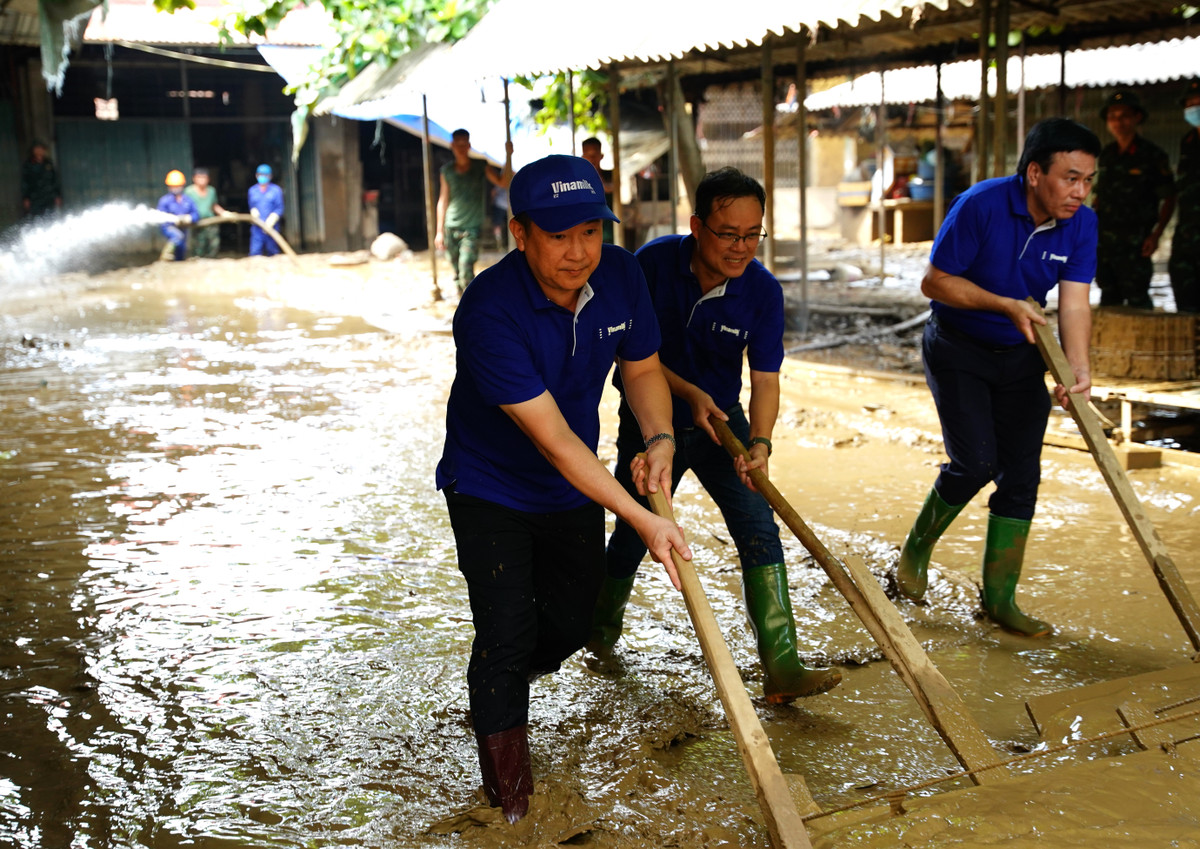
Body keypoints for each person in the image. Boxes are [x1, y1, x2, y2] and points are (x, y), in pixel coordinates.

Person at [436, 154, 691, 824]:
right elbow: (552, 439)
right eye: (559, 235)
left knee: (573, 623)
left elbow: (640, 371)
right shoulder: (489, 311)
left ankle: (494, 690)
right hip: (491, 486)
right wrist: (641, 516)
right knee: (507, 630)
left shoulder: (622, 275)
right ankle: (510, 805)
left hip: (571, 488)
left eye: (590, 231)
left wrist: (660, 437)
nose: (580, 252)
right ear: (519, 234)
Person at [590, 167, 841, 702]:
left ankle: (782, 666)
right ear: (697, 226)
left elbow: (766, 380)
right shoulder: (651, 266)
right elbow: (630, 356)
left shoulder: (763, 292)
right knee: (636, 534)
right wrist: (687, 393)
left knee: (758, 524)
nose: (742, 247)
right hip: (650, 422)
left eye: (753, 235)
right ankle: (598, 638)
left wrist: (761, 444)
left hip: (722, 420)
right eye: (729, 234)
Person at [894, 118, 1101, 637]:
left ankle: (1001, 599)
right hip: (959, 347)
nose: (1080, 192)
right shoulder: (981, 205)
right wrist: (1003, 304)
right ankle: (916, 549)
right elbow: (934, 283)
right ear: (1034, 173)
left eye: (1087, 180)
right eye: (1070, 178)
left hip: (1023, 354)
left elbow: (1074, 302)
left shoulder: (1082, 224)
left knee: (1021, 475)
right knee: (976, 461)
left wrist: (1077, 368)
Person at [1093, 91, 1176, 308]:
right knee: (1108, 298)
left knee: (1138, 299)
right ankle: (1109, 343)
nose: (1118, 122)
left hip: (1136, 243)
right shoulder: (1107, 154)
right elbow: (1098, 196)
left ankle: (1143, 343)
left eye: (1124, 115)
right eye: (1112, 116)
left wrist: (1156, 235)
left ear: (1137, 117)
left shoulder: (1152, 155)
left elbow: (1169, 198)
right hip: (1105, 242)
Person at [434, 128, 512, 293]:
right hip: (451, 225)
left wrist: (508, 157)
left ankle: (471, 303)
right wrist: (439, 231)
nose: (461, 148)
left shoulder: (480, 166)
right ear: (452, 146)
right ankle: (462, 303)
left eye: (464, 144)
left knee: (465, 269)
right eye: (458, 144)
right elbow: (443, 200)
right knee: (456, 272)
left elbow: (503, 182)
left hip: (472, 228)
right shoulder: (447, 171)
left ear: (469, 145)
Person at [1170, 78, 1200, 314]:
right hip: (1188, 234)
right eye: (1190, 103)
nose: (1194, 107)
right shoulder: (1188, 141)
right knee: (1186, 301)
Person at [184, 167, 227, 258]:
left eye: (204, 177)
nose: (201, 180)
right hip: (197, 223)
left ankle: (210, 262)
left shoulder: (211, 191)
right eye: (199, 177)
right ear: (194, 178)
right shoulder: (189, 192)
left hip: (211, 222)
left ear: (208, 179)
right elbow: (185, 207)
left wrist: (224, 213)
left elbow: (214, 205)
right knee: (198, 246)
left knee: (214, 244)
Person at [157, 170, 199, 262]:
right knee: (177, 236)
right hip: (169, 227)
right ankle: (166, 255)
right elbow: (160, 217)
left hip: (183, 227)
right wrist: (174, 220)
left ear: (182, 185)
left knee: (181, 248)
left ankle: (178, 262)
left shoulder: (188, 200)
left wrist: (190, 218)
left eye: (177, 186)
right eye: (173, 186)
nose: (175, 188)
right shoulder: (165, 201)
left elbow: (196, 214)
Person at [581, 136, 615, 243]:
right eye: (588, 155)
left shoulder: (610, 175)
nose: (592, 158)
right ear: (583, 156)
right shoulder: (579, 179)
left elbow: (611, 189)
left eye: (594, 155)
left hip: (610, 229)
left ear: (601, 156)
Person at [247, 163, 284, 257]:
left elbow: (279, 208)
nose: (262, 177)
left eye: (265, 175)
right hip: (257, 227)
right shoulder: (252, 191)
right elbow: (251, 206)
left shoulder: (276, 190)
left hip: (271, 226)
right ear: (256, 175)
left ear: (270, 176)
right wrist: (253, 211)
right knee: (255, 252)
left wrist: (273, 218)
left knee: (273, 252)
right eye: (260, 175)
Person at [20, 140, 62, 218]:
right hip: (35, 197)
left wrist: (57, 195)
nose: (39, 151)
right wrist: (26, 198)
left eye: (41, 149)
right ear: (33, 151)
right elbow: (25, 183)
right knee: (37, 218)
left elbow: (55, 180)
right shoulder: (28, 165)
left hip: (48, 197)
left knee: (50, 217)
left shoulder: (48, 163)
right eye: (37, 148)